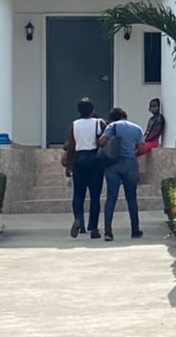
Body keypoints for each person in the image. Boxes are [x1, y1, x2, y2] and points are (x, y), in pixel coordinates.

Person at [99, 107, 146, 241]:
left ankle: (108, 231)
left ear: (113, 117)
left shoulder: (112, 126)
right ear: (125, 116)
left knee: (111, 199)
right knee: (131, 199)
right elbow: (142, 148)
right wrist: (131, 154)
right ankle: (135, 230)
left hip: (112, 165)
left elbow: (102, 142)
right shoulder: (136, 128)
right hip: (130, 164)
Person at [63, 98, 105, 239]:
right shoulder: (99, 123)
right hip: (94, 160)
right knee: (95, 196)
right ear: (92, 110)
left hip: (79, 160)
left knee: (78, 195)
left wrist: (68, 165)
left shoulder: (74, 125)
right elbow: (105, 141)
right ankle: (93, 228)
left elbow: (71, 147)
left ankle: (78, 221)